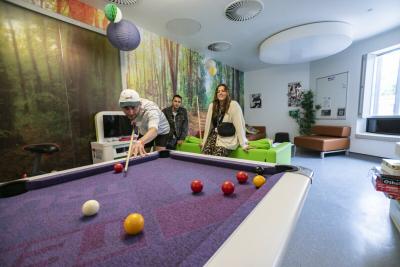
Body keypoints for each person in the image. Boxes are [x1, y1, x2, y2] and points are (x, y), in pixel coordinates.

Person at [201, 84, 249, 157]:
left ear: (227, 93)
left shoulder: (234, 105)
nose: (220, 93)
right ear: (216, 94)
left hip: (227, 139)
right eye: (218, 91)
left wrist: (243, 144)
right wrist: (204, 141)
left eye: (223, 91)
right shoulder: (212, 106)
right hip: (213, 137)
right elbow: (208, 126)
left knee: (217, 157)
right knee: (205, 155)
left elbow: (239, 126)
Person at [119, 89, 170, 157]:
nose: (131, 113)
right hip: (145, 130)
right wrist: (135, 121)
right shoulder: (133, 105)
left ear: (139, 104)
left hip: (161, 131)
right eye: (126, 108)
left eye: (133, 108)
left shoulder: (151, 110)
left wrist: (140, 141)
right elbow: (138, 118)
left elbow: (154, 130)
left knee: (159, 155)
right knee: (140, 153)